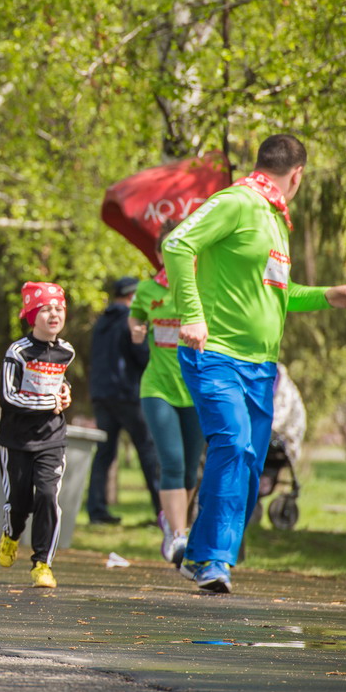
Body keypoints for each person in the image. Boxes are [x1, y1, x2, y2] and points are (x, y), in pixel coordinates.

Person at [163, 134, 346, 594]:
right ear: (298, 174)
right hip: (216, 356)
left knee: (249, 466)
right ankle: (212, 562)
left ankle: (201, 551)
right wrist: (192, 314)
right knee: (234, 444)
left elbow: (277, 295)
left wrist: (328, 296)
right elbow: (178, 244)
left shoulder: (274, 221)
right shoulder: (239, 202)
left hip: (261, 368)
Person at [129, 219, 204, 565]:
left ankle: (176, 525)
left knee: (191, 470)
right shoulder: (147, 290)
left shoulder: (203, 287)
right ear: (160, 254)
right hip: (157, 387)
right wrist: (137, 329)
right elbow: (136, 316)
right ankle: (177, 535)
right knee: (172, 463)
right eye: (168, 249)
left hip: (195, 389)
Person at [0, 282, 75, 589]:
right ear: (31, 314)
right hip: (16, 440)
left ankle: (43, 563)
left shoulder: (66, 351)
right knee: (18, 502)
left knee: (48, 496)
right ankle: (12, 535)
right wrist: (49, 402)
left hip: (52, 437)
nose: (54, 314)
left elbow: (60, 384)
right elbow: (8, 396)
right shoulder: (18, 351)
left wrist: (66, 395)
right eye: (46, 309)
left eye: (58, 308)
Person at [86, 276, 162, 525]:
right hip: (128, 394)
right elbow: (142, 356)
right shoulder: (131, 320)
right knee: (148, 449)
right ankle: (163, 512)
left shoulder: (102, 322)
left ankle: (96, 511)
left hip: (102, 394)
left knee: (104, 453)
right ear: (133, 296)